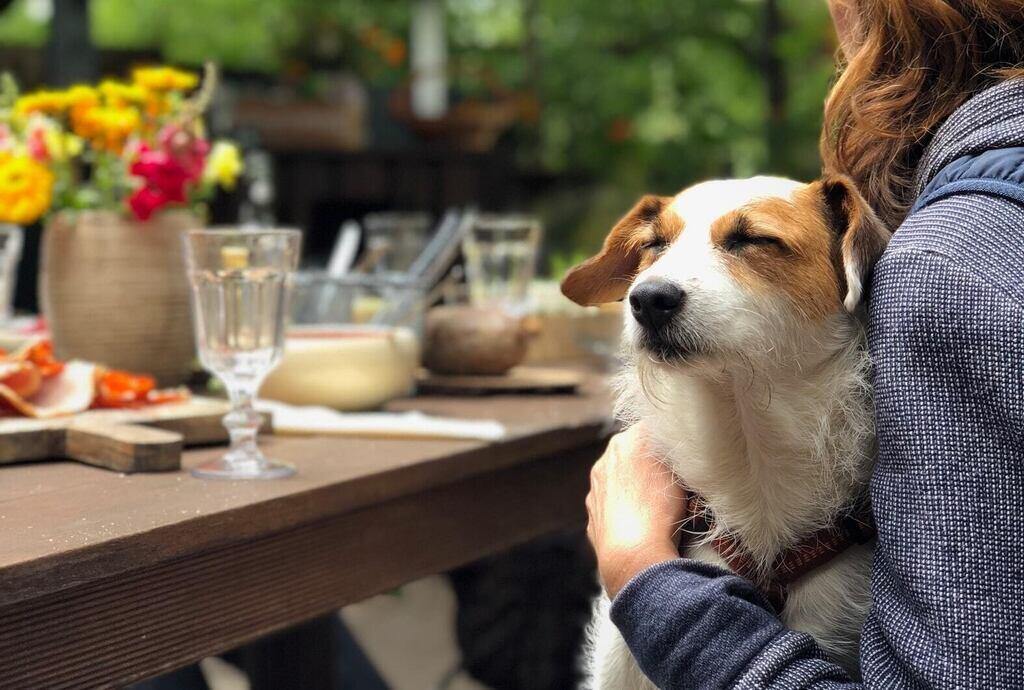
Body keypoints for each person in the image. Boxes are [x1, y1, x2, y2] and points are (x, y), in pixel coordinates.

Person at [585, 1, 1024, 686]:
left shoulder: (944, 265)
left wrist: (643, 571)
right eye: (655, 247)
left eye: (752, 241)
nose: (656, 284)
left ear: (855, 272)